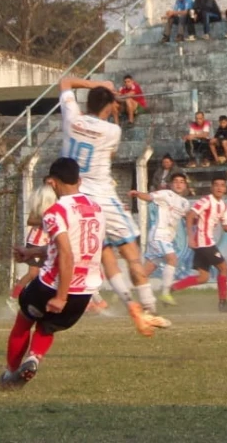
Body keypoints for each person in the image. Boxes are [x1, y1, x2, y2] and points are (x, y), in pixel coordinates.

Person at [57, 76, 166, 336]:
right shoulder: (112, 131)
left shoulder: (72, 117)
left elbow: (64, 83)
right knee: (131, 253)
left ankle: (130, 305)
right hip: (103, 198)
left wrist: (95, 83)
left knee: (105, 256)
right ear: (108, 107)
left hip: (76, 200)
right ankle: (149, 308)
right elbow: (110, 154)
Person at [0, 157, 105, 389]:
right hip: (85, 290)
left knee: (23, 322)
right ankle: (34, 357)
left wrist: (61, 295)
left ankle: (10, 373)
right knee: (48, 327)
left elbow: (66, 254)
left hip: (52, 286)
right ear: (80, 180)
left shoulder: (55, 212)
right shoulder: (97, 208)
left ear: (52, 183)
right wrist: (31, 252)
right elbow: (69, 248)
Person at [170, 176, 227, 312]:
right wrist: (190, 237)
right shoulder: (206, 201)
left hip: (204, 243)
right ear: (211, 188)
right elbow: (190, 215)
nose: (219, 188)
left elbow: (226, 227)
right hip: (204, 242)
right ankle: (223, 304)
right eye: (216, 185)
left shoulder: (223, 206)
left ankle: (172, 288)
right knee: (224, 269)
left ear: (225, 189)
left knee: (203, 277)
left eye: (222, 185)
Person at [130, 173, 191, 306]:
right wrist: (137, 193)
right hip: (158, 235)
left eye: (182, 182)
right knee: (172, 258)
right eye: (176, 181)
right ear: (170, 184)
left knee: (146, 272)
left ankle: (128, 295)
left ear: (186, 186)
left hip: (167, 238)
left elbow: (186, 216)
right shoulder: (166, 194)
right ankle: (165, 294)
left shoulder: (185, 203)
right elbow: (149, 196)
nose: (179, 184)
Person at [8, 182, 59, 310]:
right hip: (36, 242)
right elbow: (30, 220)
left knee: (50, 271)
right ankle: (13, 299)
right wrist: (45, 220)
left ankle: (45, 300)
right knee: (33, 273)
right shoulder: (41, 204)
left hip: (48, 243)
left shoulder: (58, 204)